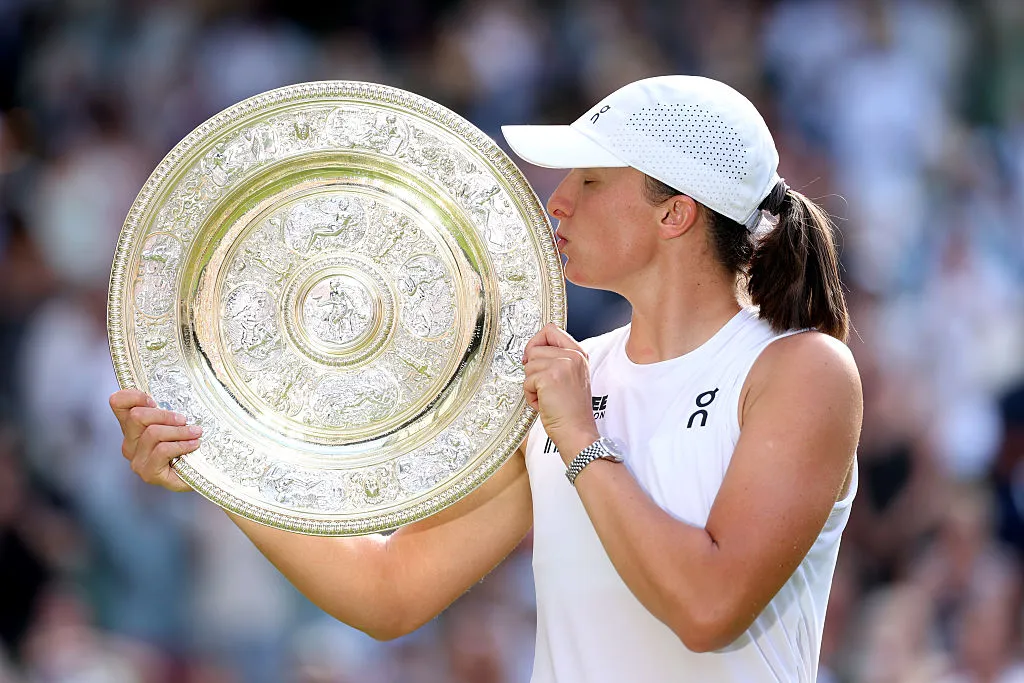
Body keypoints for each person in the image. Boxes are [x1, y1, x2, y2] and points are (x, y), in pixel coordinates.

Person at [110, 75, 862, 682]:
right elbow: (391, 590)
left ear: (675, 215)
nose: (557, 201)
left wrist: (579, 436)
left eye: (592, 181)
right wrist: (216, 460)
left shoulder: (801, 371)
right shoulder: (571, 374)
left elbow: (709, 606)